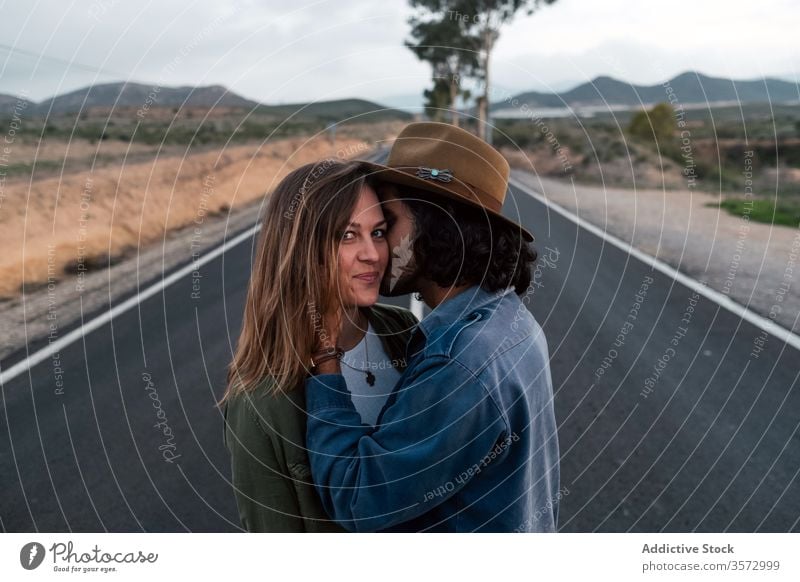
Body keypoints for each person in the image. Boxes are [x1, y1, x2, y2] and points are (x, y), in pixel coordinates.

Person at [305, 122, 560, 532]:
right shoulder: (508, 316)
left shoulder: (460, 363)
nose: (377, 249)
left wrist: (326, 361)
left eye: (387, 225)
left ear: (434, 226)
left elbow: (358, 499)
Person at [221, 159, 418, 532]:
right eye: (348, 235)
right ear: (301, 248)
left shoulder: (404, 331)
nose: (373, 254)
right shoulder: (259, 405)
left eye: (378, 233)